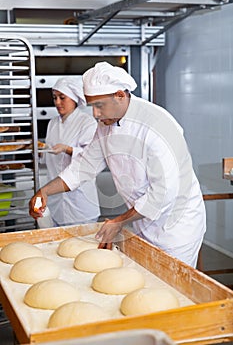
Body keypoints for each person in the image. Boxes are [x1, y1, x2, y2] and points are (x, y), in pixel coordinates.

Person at [30, 62, 206, 268]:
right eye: (91, 106)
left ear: (120, 95)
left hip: (177, 228)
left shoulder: (158, 126)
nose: (94, 114)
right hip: (143, 221)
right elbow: (83, 167)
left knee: (174, 291)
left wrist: (119, 221)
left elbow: (163, 193)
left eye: (99, 106)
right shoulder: (106, 123)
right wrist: (45, 191)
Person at [38, 76, 100, 226]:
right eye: (55, 98)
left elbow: (91, 156)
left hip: (80, 201)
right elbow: (49, 159)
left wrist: (67, 149)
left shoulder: (87, 122)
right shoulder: (52, 123)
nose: (57, 102)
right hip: (56, 202)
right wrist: (41, 152)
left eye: (62, 97)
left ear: (74, 98)